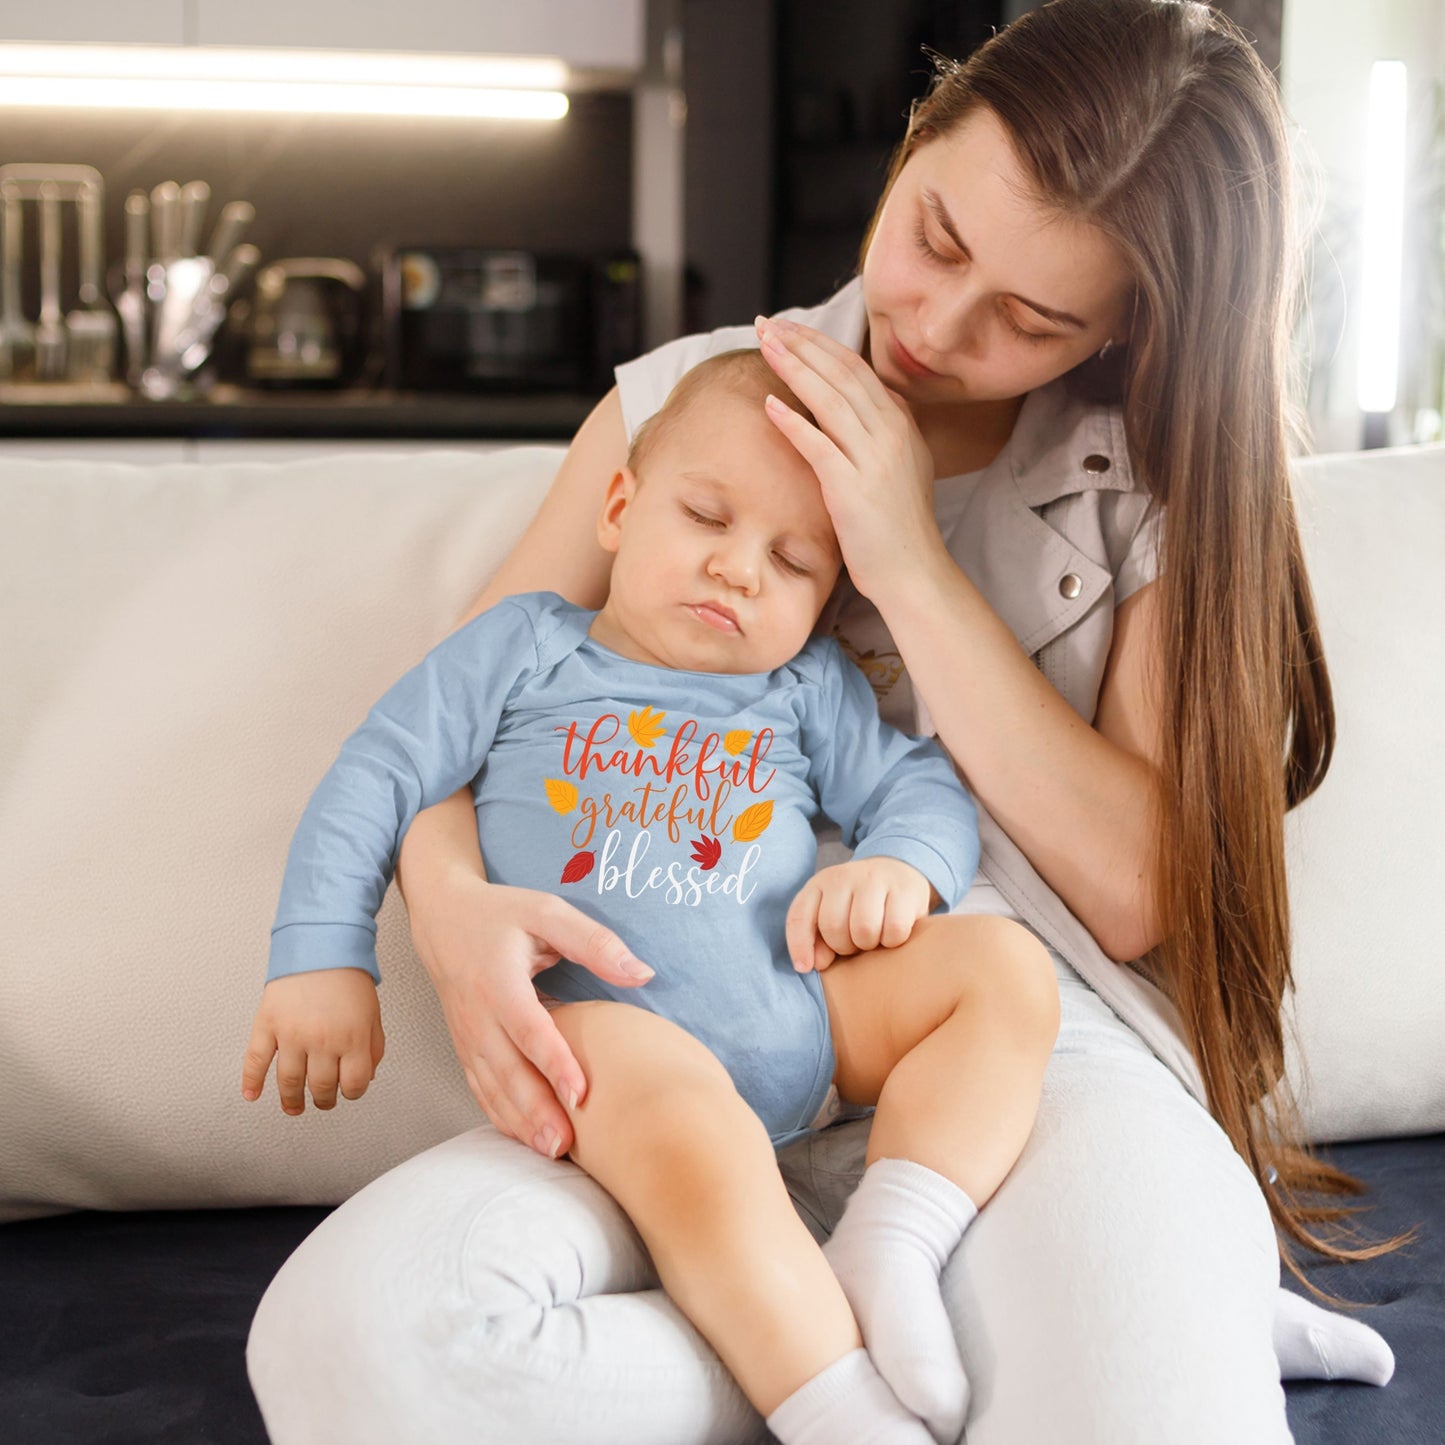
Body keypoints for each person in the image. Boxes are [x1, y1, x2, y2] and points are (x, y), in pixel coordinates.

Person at [246, 3, 1407, 1442]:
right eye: (934, 235)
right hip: (660, 1037)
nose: (932, 325)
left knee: (1149, 1385)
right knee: (353, 1343)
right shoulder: (685, 409)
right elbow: (453, 709)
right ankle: (847, 1362)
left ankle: (953, 1315)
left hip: (1005, 1062)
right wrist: (444, 907)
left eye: (1031, 320)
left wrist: (902, 555)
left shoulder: (1150, 490)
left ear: (1127, 326)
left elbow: (1133, 886)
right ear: (915, 142)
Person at [244, 348, 1061, 1444]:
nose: (737, 570)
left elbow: (917, 781)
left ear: (828, 601)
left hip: (803, 1004)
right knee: (691, 1129)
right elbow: (379, 771)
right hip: (615, 1026)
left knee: (1002, 971)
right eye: (706, 517)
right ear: (619, 509)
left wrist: (899, 868)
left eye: (791, 559)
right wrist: (320, 955)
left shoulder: (801, 686)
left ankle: (898, 1230)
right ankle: (834, 1407)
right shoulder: (528, 644)